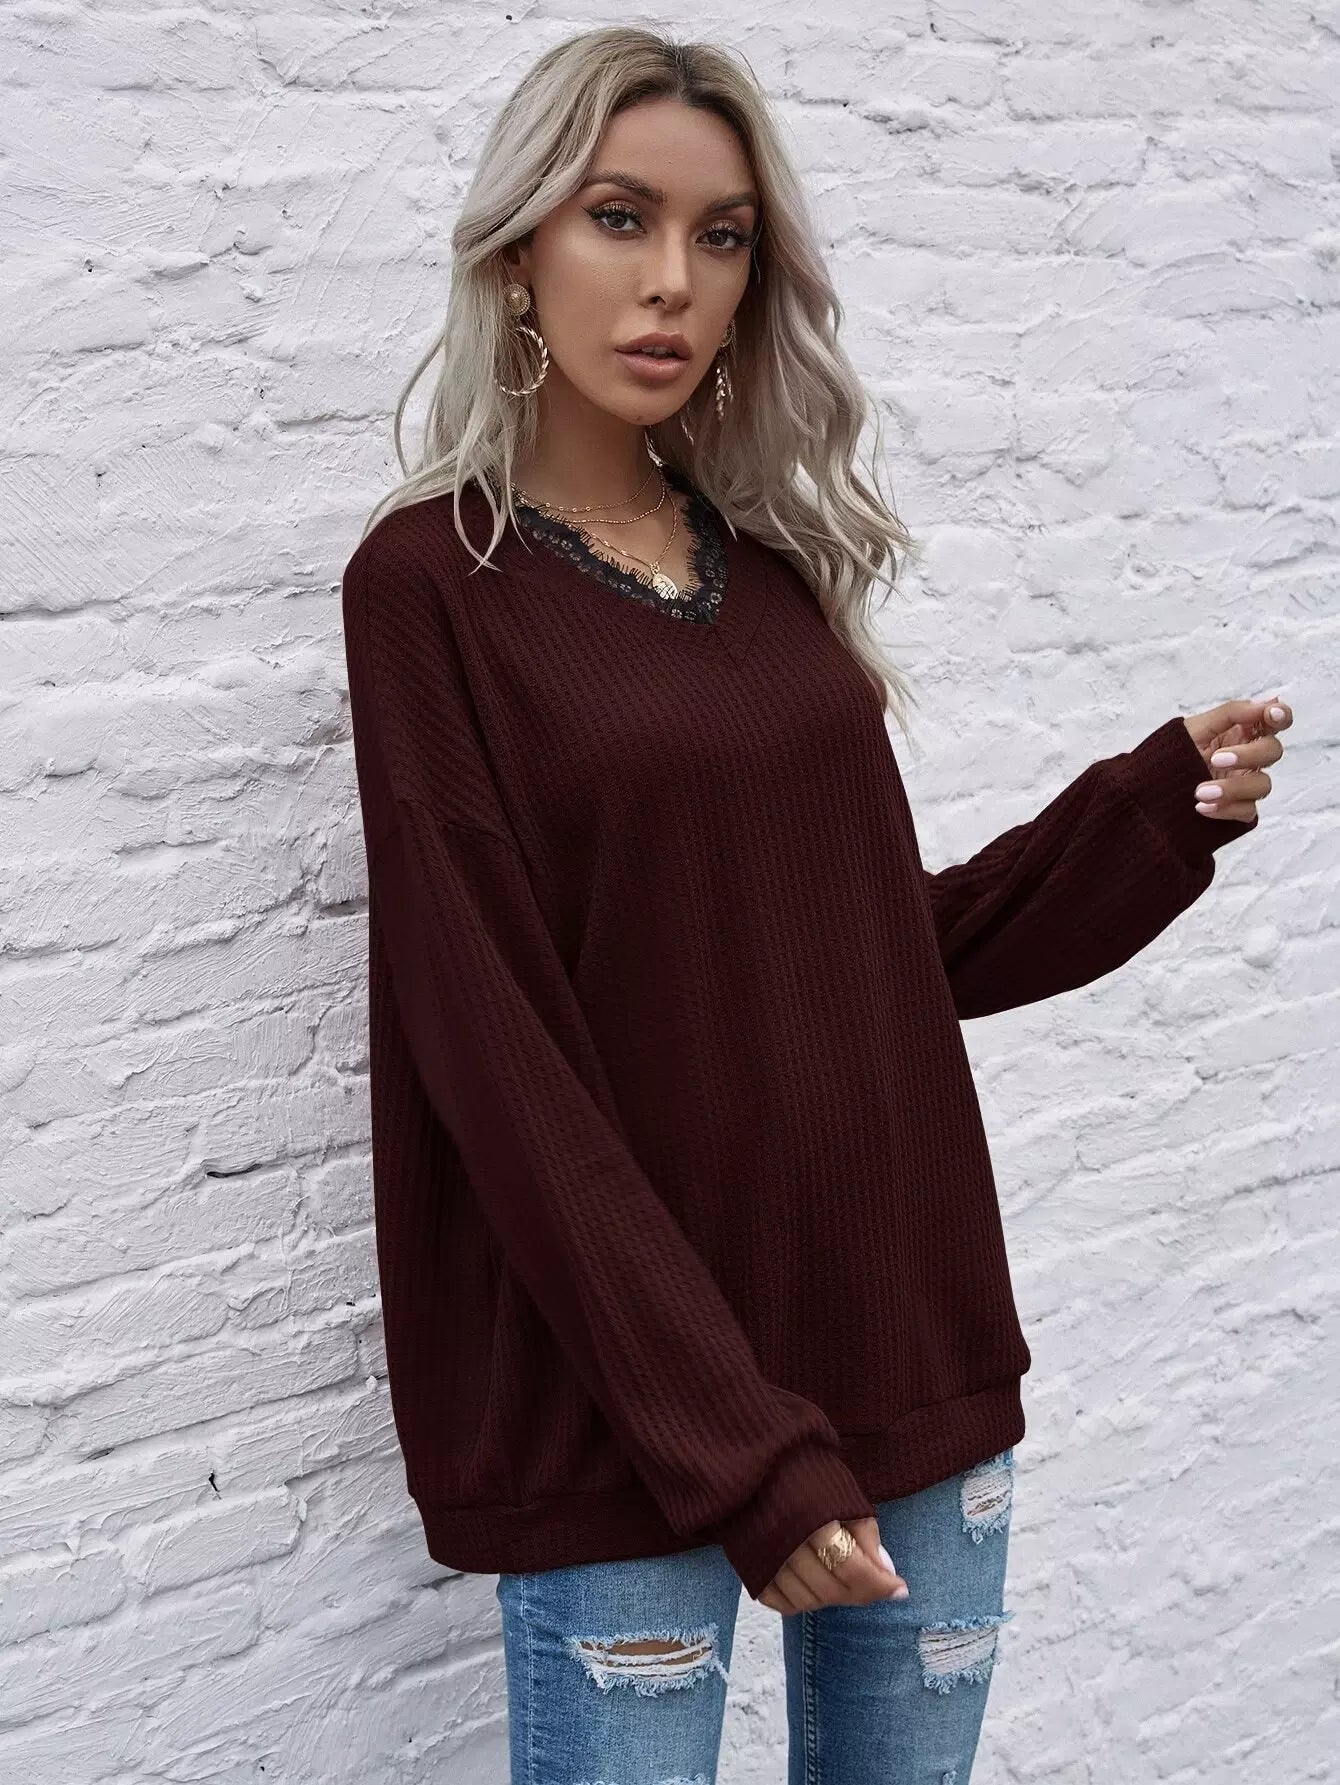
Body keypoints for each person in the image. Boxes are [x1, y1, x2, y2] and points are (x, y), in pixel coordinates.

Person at [340, 26, 1288, 1785]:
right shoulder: (430, 587)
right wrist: (738, 1450)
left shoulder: (766, 575)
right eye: (619, 217)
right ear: (519, 251)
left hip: (905, 1332)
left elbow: (870, 956)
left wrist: (1138, 818)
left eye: (721, 237)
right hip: (630, 1407)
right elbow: (498, 1057)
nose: (672, 280)